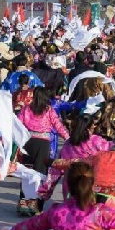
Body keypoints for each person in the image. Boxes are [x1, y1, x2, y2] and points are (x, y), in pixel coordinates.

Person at [17, 87, 70, 216]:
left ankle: (25, 206)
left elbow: (17, 124)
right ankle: (37, 207)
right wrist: (68, 139)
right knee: (40, 175)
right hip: (43, 144)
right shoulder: (49, 110)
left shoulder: (27, 109)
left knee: (26, 173)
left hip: (28, 143)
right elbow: (58, 126)